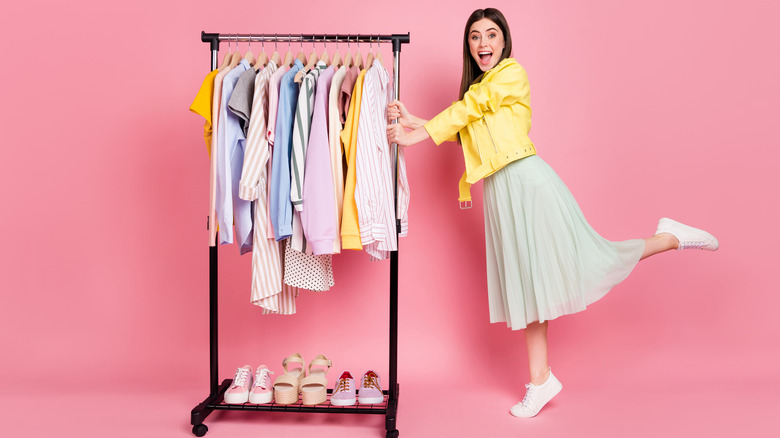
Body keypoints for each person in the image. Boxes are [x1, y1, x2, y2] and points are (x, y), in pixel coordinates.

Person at [386, 7, 719, 418]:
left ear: (504, 41)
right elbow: (469, 133)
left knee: (586, 261)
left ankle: (670, 237)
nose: (483, 43)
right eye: (475, 36)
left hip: (528, 184)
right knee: (532, 287)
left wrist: (416, 135)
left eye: (491, 34)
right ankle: (541, 380)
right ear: (468, 45)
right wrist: (417, 121)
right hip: (501, 193)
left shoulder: (509, 74)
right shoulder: (479, 90)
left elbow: (473, 106)